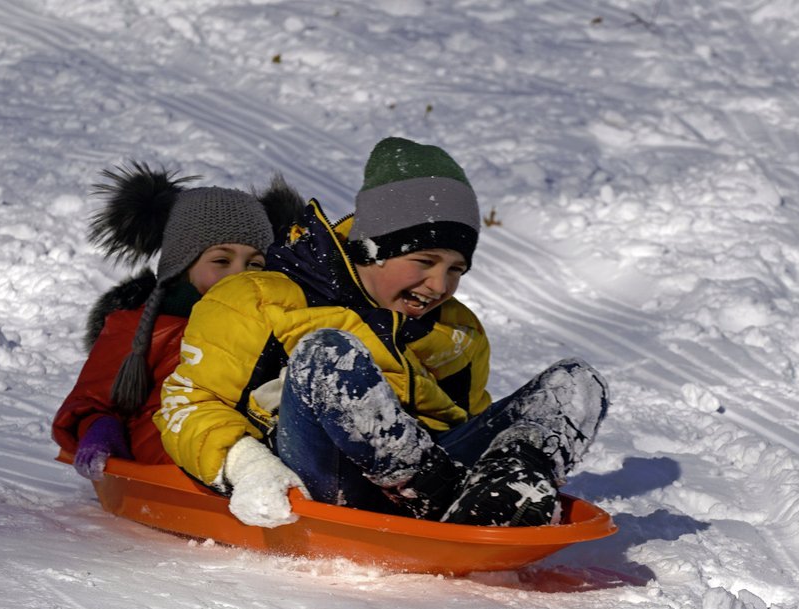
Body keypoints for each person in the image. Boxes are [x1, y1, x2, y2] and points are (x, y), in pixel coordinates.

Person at [155, 136, 609, 529]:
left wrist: (500, 458)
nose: (440, 286)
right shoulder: (258, 297)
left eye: (456, 269)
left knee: (575, 384)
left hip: (440, 468)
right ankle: (433, 493)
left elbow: (468, 421)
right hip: (324, 477)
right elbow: (188, 404)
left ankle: (502, 495)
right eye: (425, 262)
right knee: (326, 355)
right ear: (373, 250)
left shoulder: (458, 330)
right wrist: (247, 466)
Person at [53, 163, 302, 481]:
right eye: (221, 261)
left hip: (254, 452)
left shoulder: (273, 327)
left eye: (254, 263)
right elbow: (91, 400)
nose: (240, 274)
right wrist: (100, 428)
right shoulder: (149, 327)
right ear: (181, 265)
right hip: (168, 455)